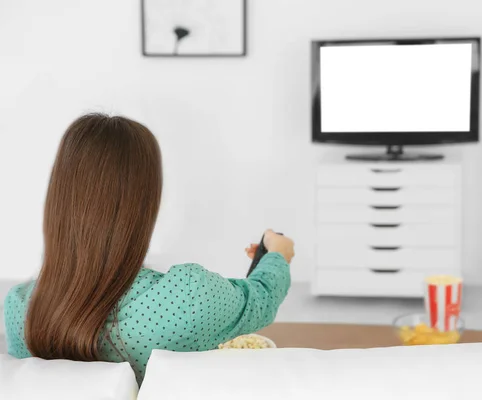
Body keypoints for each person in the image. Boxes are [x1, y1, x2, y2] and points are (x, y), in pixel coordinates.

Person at [3, 114, 293, 385]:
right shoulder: (189, 295)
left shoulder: (19, 307)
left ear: (59, 200)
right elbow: (261, 298)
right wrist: (278, 255)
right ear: (144, 205)